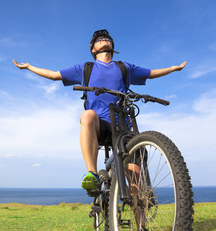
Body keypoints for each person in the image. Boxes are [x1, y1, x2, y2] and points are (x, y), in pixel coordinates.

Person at [13, 29, 186, 190]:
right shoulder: (84, 69)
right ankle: (92, 174)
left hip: (123, 127)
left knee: (135, 185)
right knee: (87, 115)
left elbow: (151, 73)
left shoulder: (124, 67)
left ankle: (141, 223)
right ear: (93, 49)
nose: (103, 40)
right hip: (99, 125)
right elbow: (54, 75)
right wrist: (29, 67)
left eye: (107, 39)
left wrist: (173, 68)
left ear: (112, 47)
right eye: (98, 40)